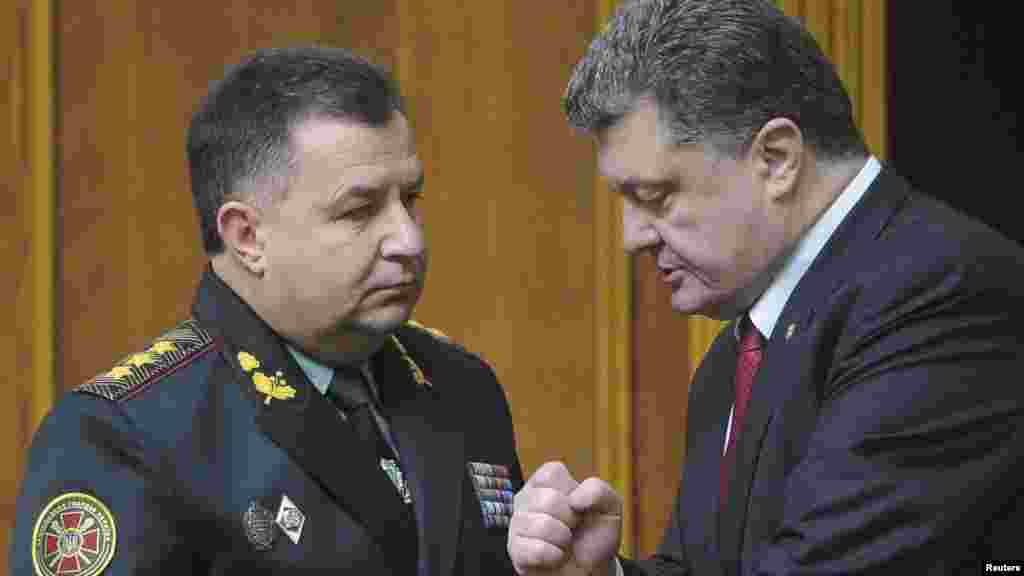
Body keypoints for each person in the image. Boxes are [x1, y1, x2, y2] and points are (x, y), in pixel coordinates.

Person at [507, 0, 1024, 574]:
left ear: (777, 159)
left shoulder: (940, 295)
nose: (631, 237)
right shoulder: (737, 351)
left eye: (655, 197)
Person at [12, 46, 523, 575]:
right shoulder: (128, 435)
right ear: (247, 237)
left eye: (410, 200)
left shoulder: (461, 388)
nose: (408, 240)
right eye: (359, 210)